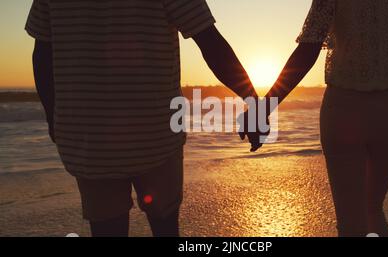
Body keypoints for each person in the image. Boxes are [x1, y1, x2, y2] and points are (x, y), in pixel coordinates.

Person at [26, 0, 258, 237]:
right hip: (155, 135)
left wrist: (53, 115)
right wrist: (254, 102)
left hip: (88, 138)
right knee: (165, 227)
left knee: (107, 229)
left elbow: (43, 51)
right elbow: (209, 40)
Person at [247, 0, 388, 236]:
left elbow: (309, 47)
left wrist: (264, 108)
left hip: (344, 108)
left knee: (352, 220)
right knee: (372, 209)